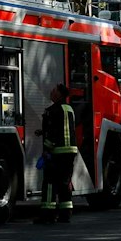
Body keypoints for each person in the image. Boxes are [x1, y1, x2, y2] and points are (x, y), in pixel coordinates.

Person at [36, 82, 78, 224]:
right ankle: (65, 214)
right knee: (65, 182)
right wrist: (43, 131)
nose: (51, 92)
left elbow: (53, 132)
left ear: (59, 94)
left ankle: (48, 214)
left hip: (57, 152)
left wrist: (47, 150)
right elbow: (64, 128)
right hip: (70, 151)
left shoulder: (52, 111)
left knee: (49, 182)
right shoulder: (69, 109)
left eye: (54, 90)